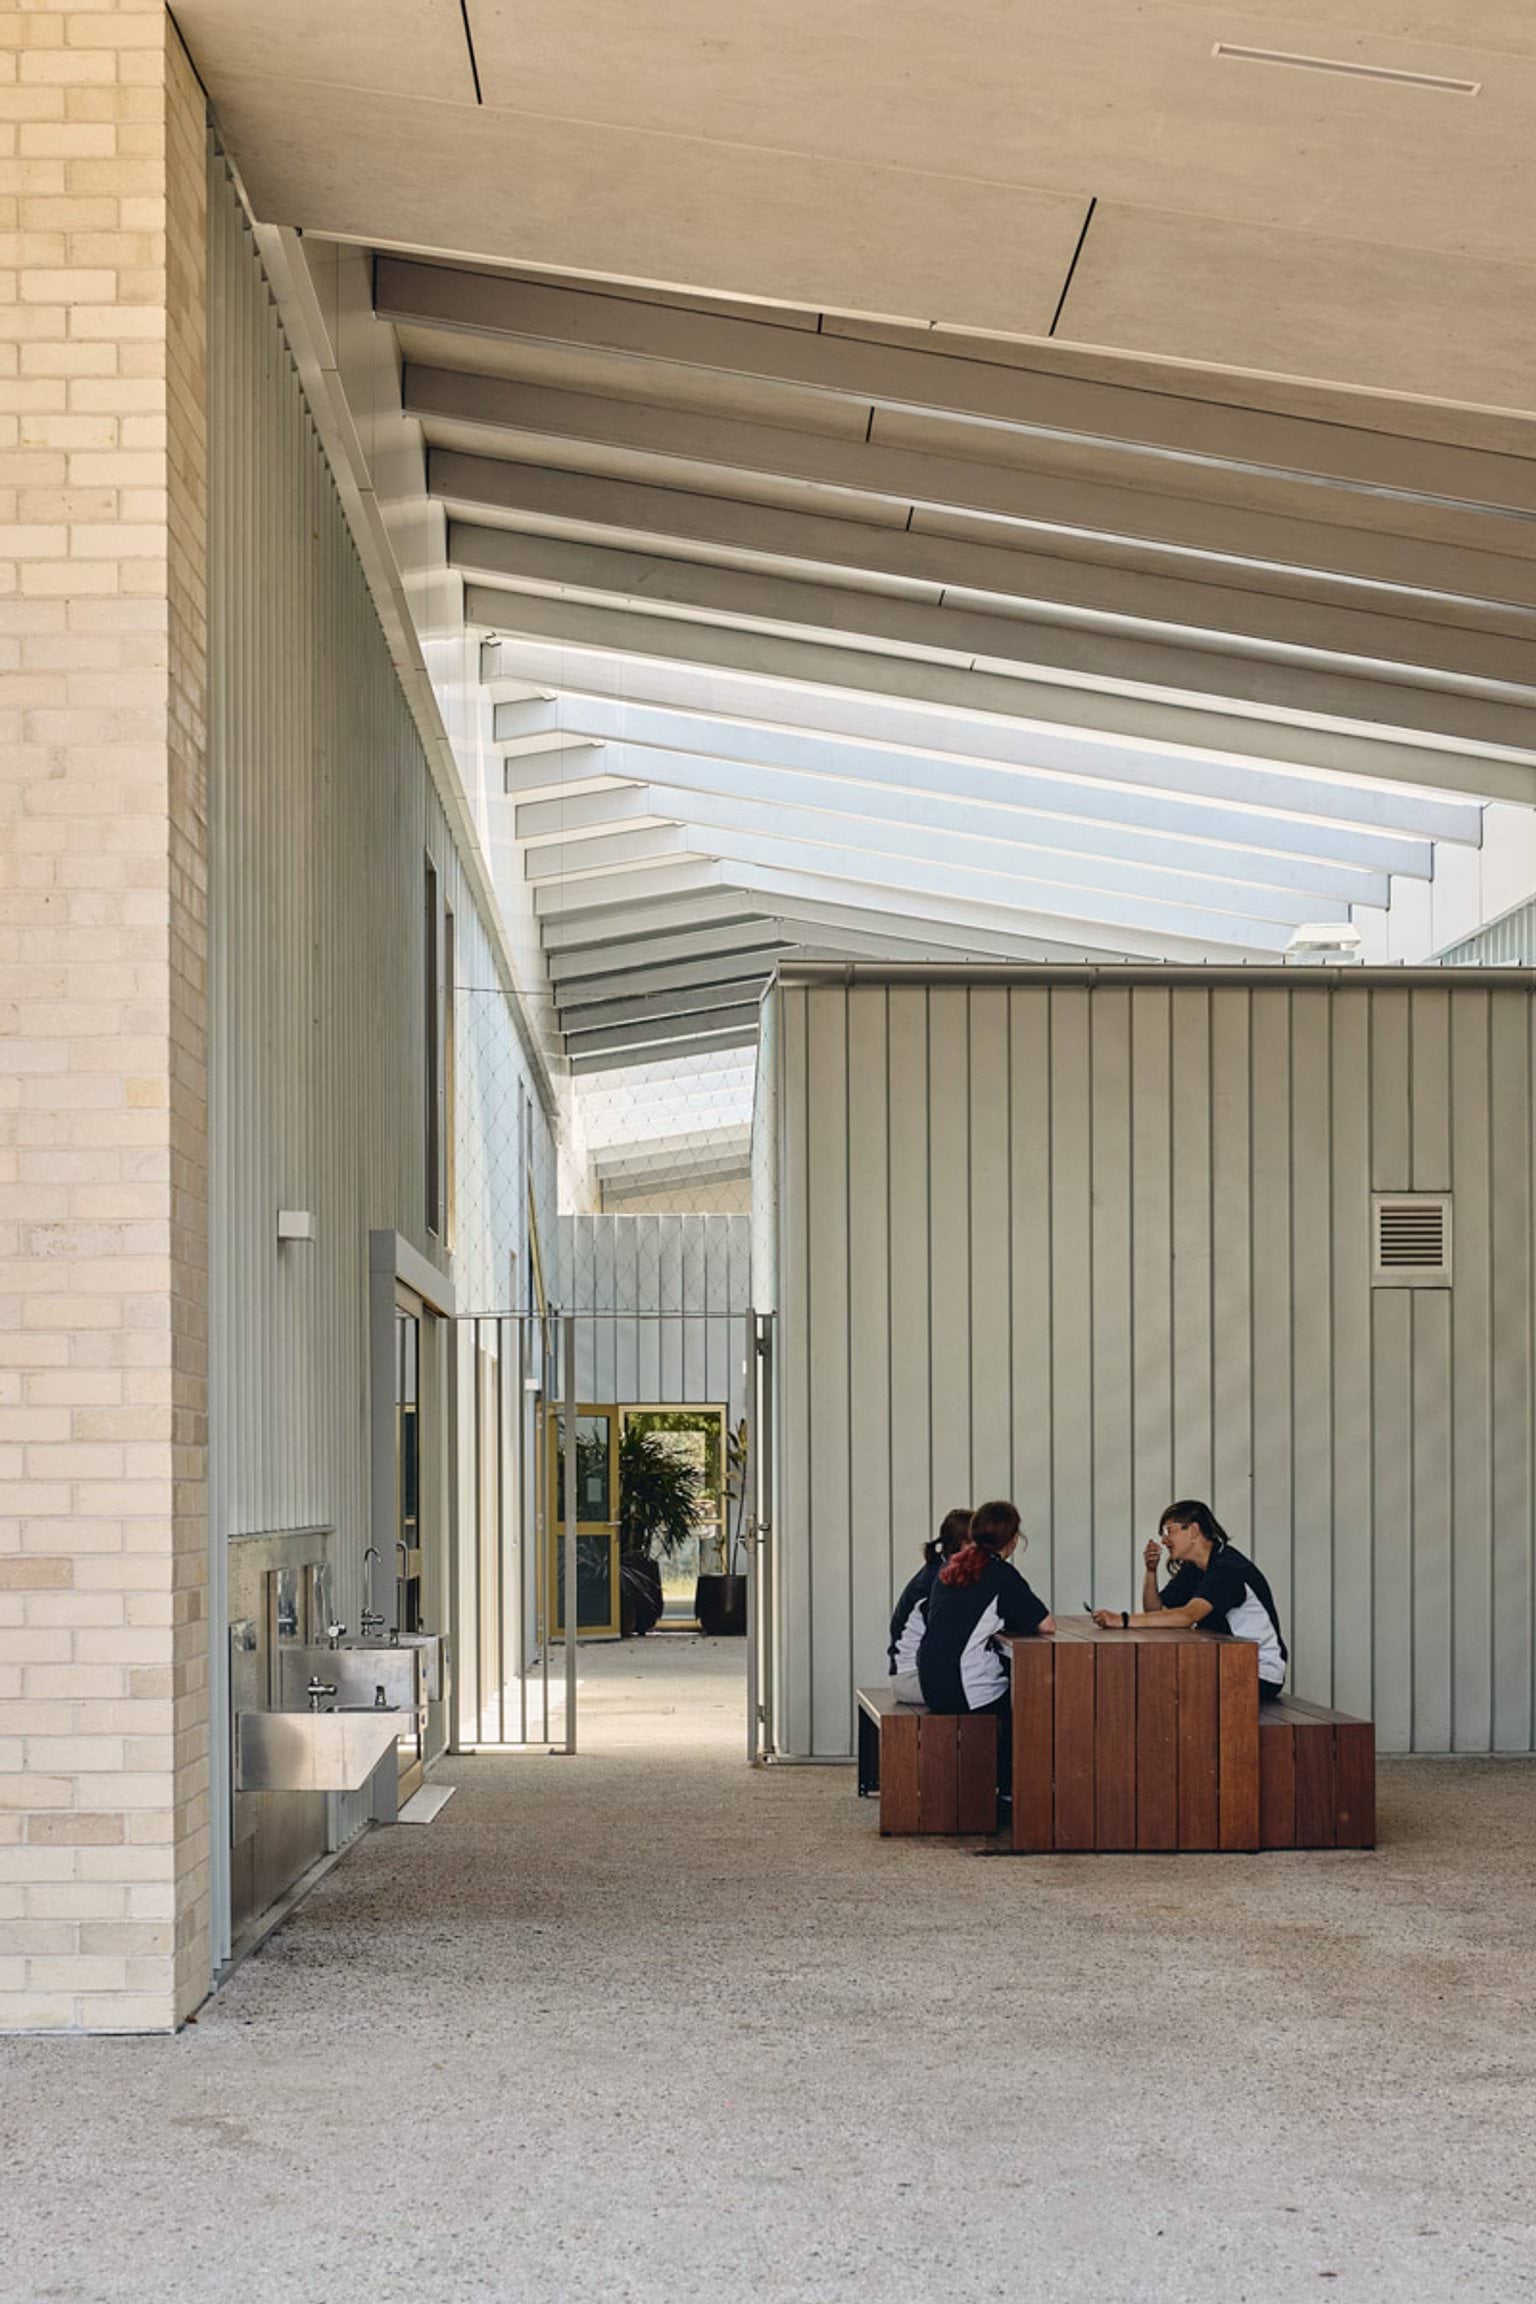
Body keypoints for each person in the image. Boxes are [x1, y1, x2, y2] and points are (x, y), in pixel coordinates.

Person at [918, 1501, 1055, 1794]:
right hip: (963, 1687)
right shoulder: (1002, 1575)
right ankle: (1011, 1791)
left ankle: (1002, 1787)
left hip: (930, 1681)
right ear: (1014, 1539)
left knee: (1010, 1687)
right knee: (1031, 1705)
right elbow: (1046, 1625)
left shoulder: (951, 1569)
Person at [1092, 1499, 1287, 1699]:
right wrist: (1151, 1570)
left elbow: (1188, 1616)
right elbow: (1156, 1612)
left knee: (1167, 1687)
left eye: (1169, 1531)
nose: (1164, 1541)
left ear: (1193, 1531)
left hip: (1259, 1669)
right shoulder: (1194, 1568)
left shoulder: (1228, 1568)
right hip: (1227, 1661)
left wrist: (1122, 1620)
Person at [887, 1507, 971, 1702]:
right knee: (993, 1691)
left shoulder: (939, 1569)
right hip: (912, 1678)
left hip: (915, 1674)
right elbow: (946, 1638)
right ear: (963, 1544)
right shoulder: (938, 1580)